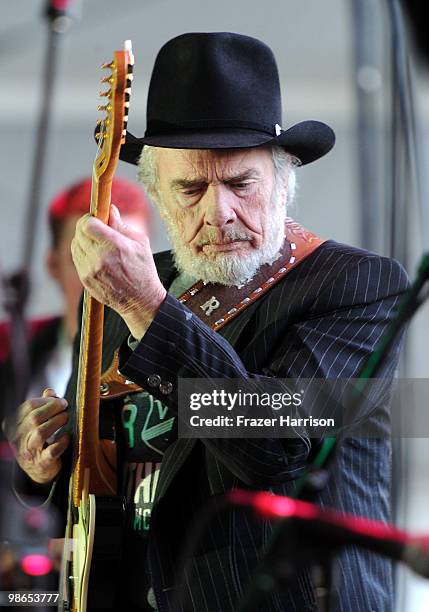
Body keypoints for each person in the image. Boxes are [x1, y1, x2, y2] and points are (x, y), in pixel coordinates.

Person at [7, 33, 409, 611]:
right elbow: (95, 472)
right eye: (190, 189)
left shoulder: (356, 285)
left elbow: (276, 444)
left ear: (282, 180)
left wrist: (148, 308)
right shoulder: (129, 282)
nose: (217, 212)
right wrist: (40, 465)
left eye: (240, 184)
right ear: (158, 197)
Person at [0, 176, 152, 401]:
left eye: (126, 258)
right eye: (85, 258)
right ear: (54, 265)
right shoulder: (8, 346)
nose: (109, 277)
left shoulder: (178, 361)